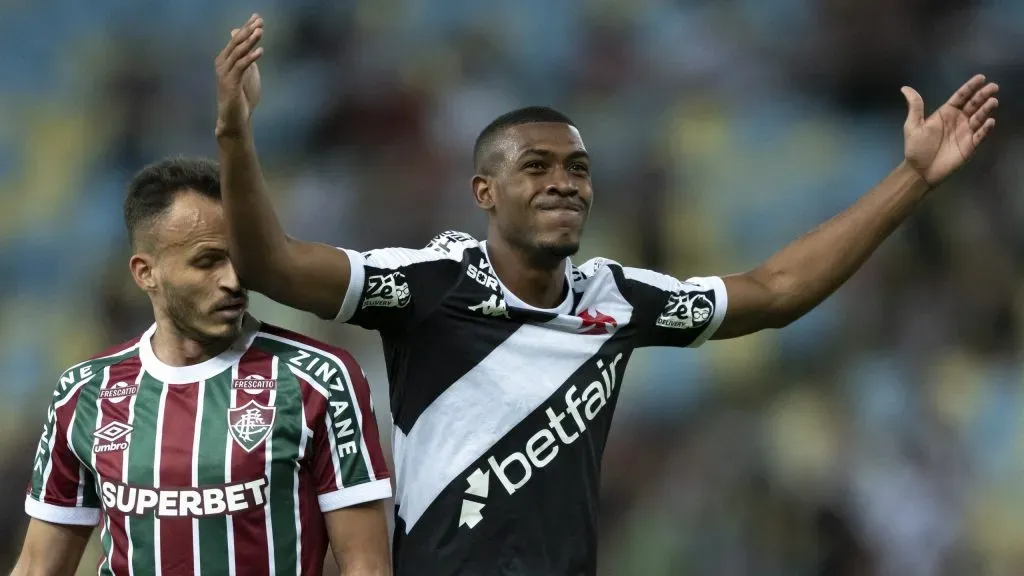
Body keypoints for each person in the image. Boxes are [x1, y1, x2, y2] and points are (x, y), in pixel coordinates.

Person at [214, 14, 999, 576]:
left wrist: (912, 179)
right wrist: (235, 136)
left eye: (579, 169)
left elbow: (776, 290)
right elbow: (272, 266)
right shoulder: (427, 284)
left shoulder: (617, 298)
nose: (564, 182)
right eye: (537, 167)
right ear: (485, 192)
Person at [12, 157, 393, 576]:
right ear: (145, 273)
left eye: (239, 259)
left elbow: (367, 566)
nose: (234, 280)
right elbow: (38, 567)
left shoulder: (319, 380)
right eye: (208, 261)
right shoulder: (85, 393)